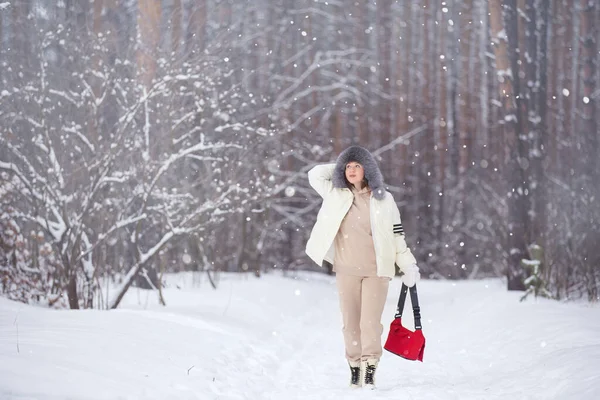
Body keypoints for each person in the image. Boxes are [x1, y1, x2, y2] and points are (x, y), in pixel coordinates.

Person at [305, 145, 420, 389]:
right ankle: (354, 368)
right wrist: (339, 164)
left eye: (357, 165)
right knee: (350, 323)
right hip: (346, 270)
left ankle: (370, 370)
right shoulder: (335, 193)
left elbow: (397, 236)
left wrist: (408, 264)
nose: (352, 170)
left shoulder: (384, 199)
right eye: (348, 166)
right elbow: (314, 174)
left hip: (376, 271)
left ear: (368, 170)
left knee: (370, 324)